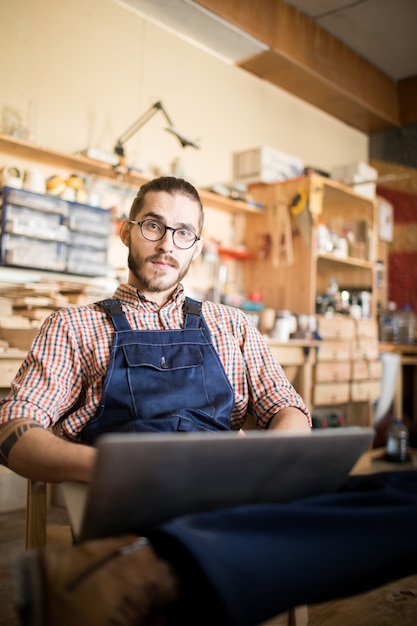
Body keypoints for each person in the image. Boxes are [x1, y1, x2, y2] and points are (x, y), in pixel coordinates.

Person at [0, 176, 416, 626]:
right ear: (125, 231)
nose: (166, 245)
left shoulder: (231, 324)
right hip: (131, 493)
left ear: (196, 246)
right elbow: (13, 430)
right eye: (152, 226)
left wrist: (271, 458)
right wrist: (105, 468)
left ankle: (145, 573)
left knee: (394, 494)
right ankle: (172, 565)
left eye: (183, 233)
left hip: (228, 487)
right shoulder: (74, 326)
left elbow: (287, 406)